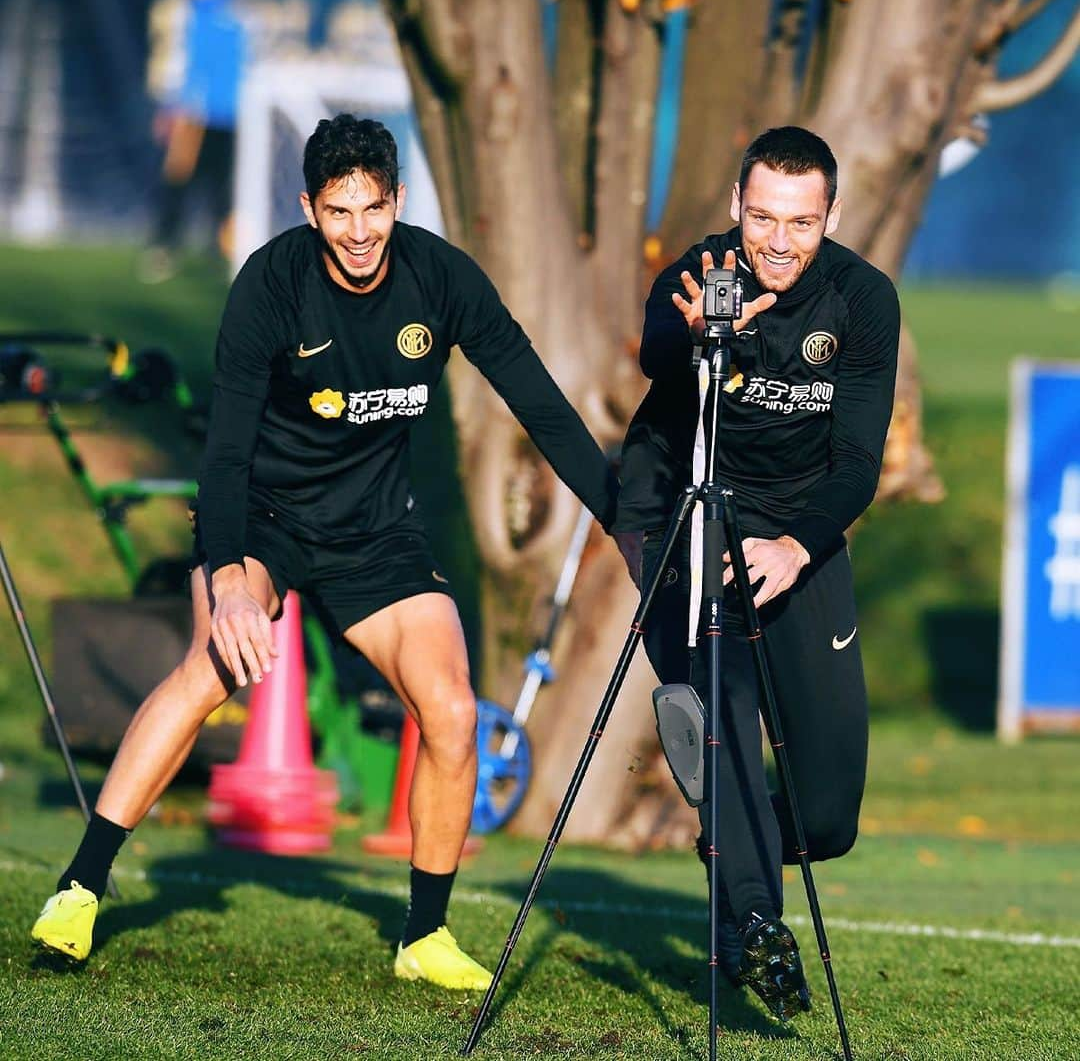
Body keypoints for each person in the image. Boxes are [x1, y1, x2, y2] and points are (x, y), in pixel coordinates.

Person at [32, 114, 634, 989]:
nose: (359, 232)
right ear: (309, 207)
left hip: (377, 528)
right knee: (213, 672)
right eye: (339, 211)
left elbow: (539, 405)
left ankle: (422, 937)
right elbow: (226, 452)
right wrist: (233, 581)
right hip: (263, 517)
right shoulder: (271, 285)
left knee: (455, 714)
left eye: (375, 208)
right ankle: (81, 886)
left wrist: (619, 515)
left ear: (397, 201)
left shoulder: (441, 279)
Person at [614, 126, 899, 1020]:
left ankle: (734, 853)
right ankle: (755, 926)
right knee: (727, 707)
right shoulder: (701, 279)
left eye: (802, 223)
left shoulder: (862, 299)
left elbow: (857, 462)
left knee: (827, 817)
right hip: (686, 513)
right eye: (763, 217)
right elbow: (658, 351)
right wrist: (697, 338)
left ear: (832, 217)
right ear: (738, 206)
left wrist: (796, 546)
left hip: (799, 535)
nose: (778, 241)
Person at [140, 0, 246, 283]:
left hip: (232, 115)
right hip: (192, 113)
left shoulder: (240, 6)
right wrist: (169, 105)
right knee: (178, 180)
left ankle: (226, 253)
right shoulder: (175, 7)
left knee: (224, 189)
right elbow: (168, 60)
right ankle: (164, 246)